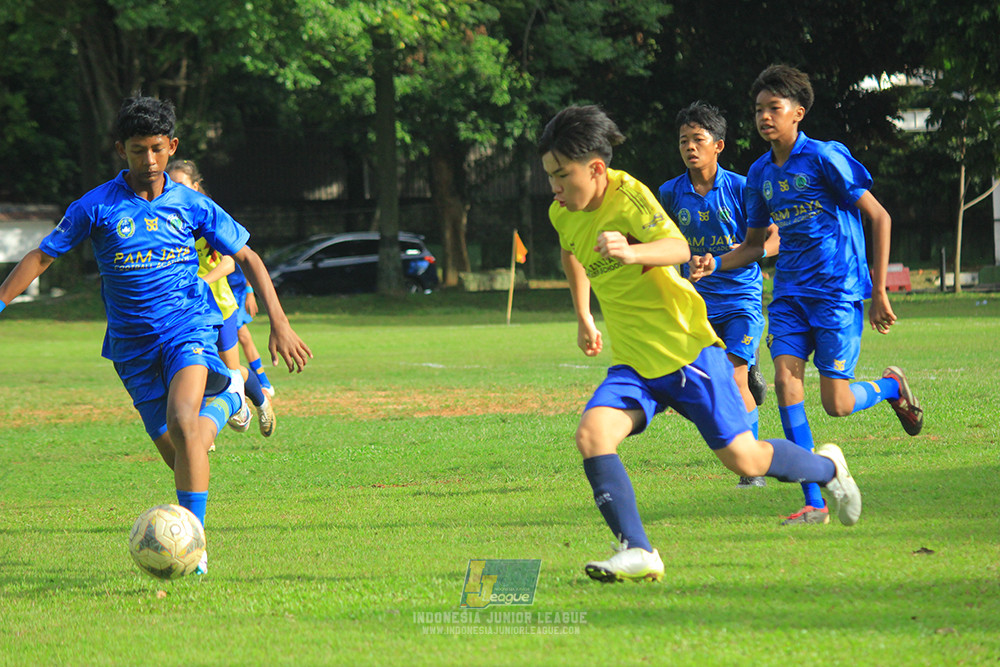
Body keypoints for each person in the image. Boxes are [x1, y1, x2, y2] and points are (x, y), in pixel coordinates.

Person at [539, 104, 861, 583]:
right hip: (633, 365)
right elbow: (571, 252)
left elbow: (676, 248)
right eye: (549, 177)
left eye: (562, 176)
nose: (555, 189)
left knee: (745, 458)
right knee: (592, 435)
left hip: (687, 353)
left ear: (597, 169)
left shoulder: (628, 197)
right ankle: (638, 549)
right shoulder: (562, 212)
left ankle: (826, 468)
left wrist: (630, 250)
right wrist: (584, 314)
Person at [0, 96, 311, 574]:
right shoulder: (95, 207)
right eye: (138, 150)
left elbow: (247, 257)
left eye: (157, 149)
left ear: (172, 147)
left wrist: (279, 320)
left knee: (185, 421)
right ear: (120, 149)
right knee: (182, 450)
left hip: (186, 330)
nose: (148, 160)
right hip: (131, 348)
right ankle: (229, 397)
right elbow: (42, 257)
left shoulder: (192, 204)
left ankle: (196, 552)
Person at [689, 65, 923, 526]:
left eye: (774, 109)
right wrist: (716, 261)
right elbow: (756, 246)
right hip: (791, 294)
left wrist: (878, 290)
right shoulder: (758, 173)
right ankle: (815, 502)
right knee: (784, 384)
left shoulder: (824, 158)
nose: (764, 117)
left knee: (836, 405)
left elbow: (880, 217)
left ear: (798, 112)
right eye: (758, 110)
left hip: (837, 293)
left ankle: (891, 387)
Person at [658, 101, 780, 488]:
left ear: (719, 146)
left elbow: (773, 239)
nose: (690, 147)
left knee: (733, 379)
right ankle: (749, 367)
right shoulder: (669, 193)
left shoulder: (743, 188)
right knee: (704, 383)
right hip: (696, 303)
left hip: (742, 297)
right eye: (683, 141)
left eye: (698, 139)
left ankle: (752, 468)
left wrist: (724, 259)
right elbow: (664, 242)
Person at [165, 159, 275, 438]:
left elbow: (231, 262)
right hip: (187, 311)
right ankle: (199, 438)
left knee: (231, 373)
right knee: (190, 368)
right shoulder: (165, 222)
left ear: (195, 186)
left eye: (181, 185)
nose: (174, 190)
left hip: (219, 305)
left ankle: (260, 399)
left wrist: (203, 282)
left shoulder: (205, 217)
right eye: (171, 184)